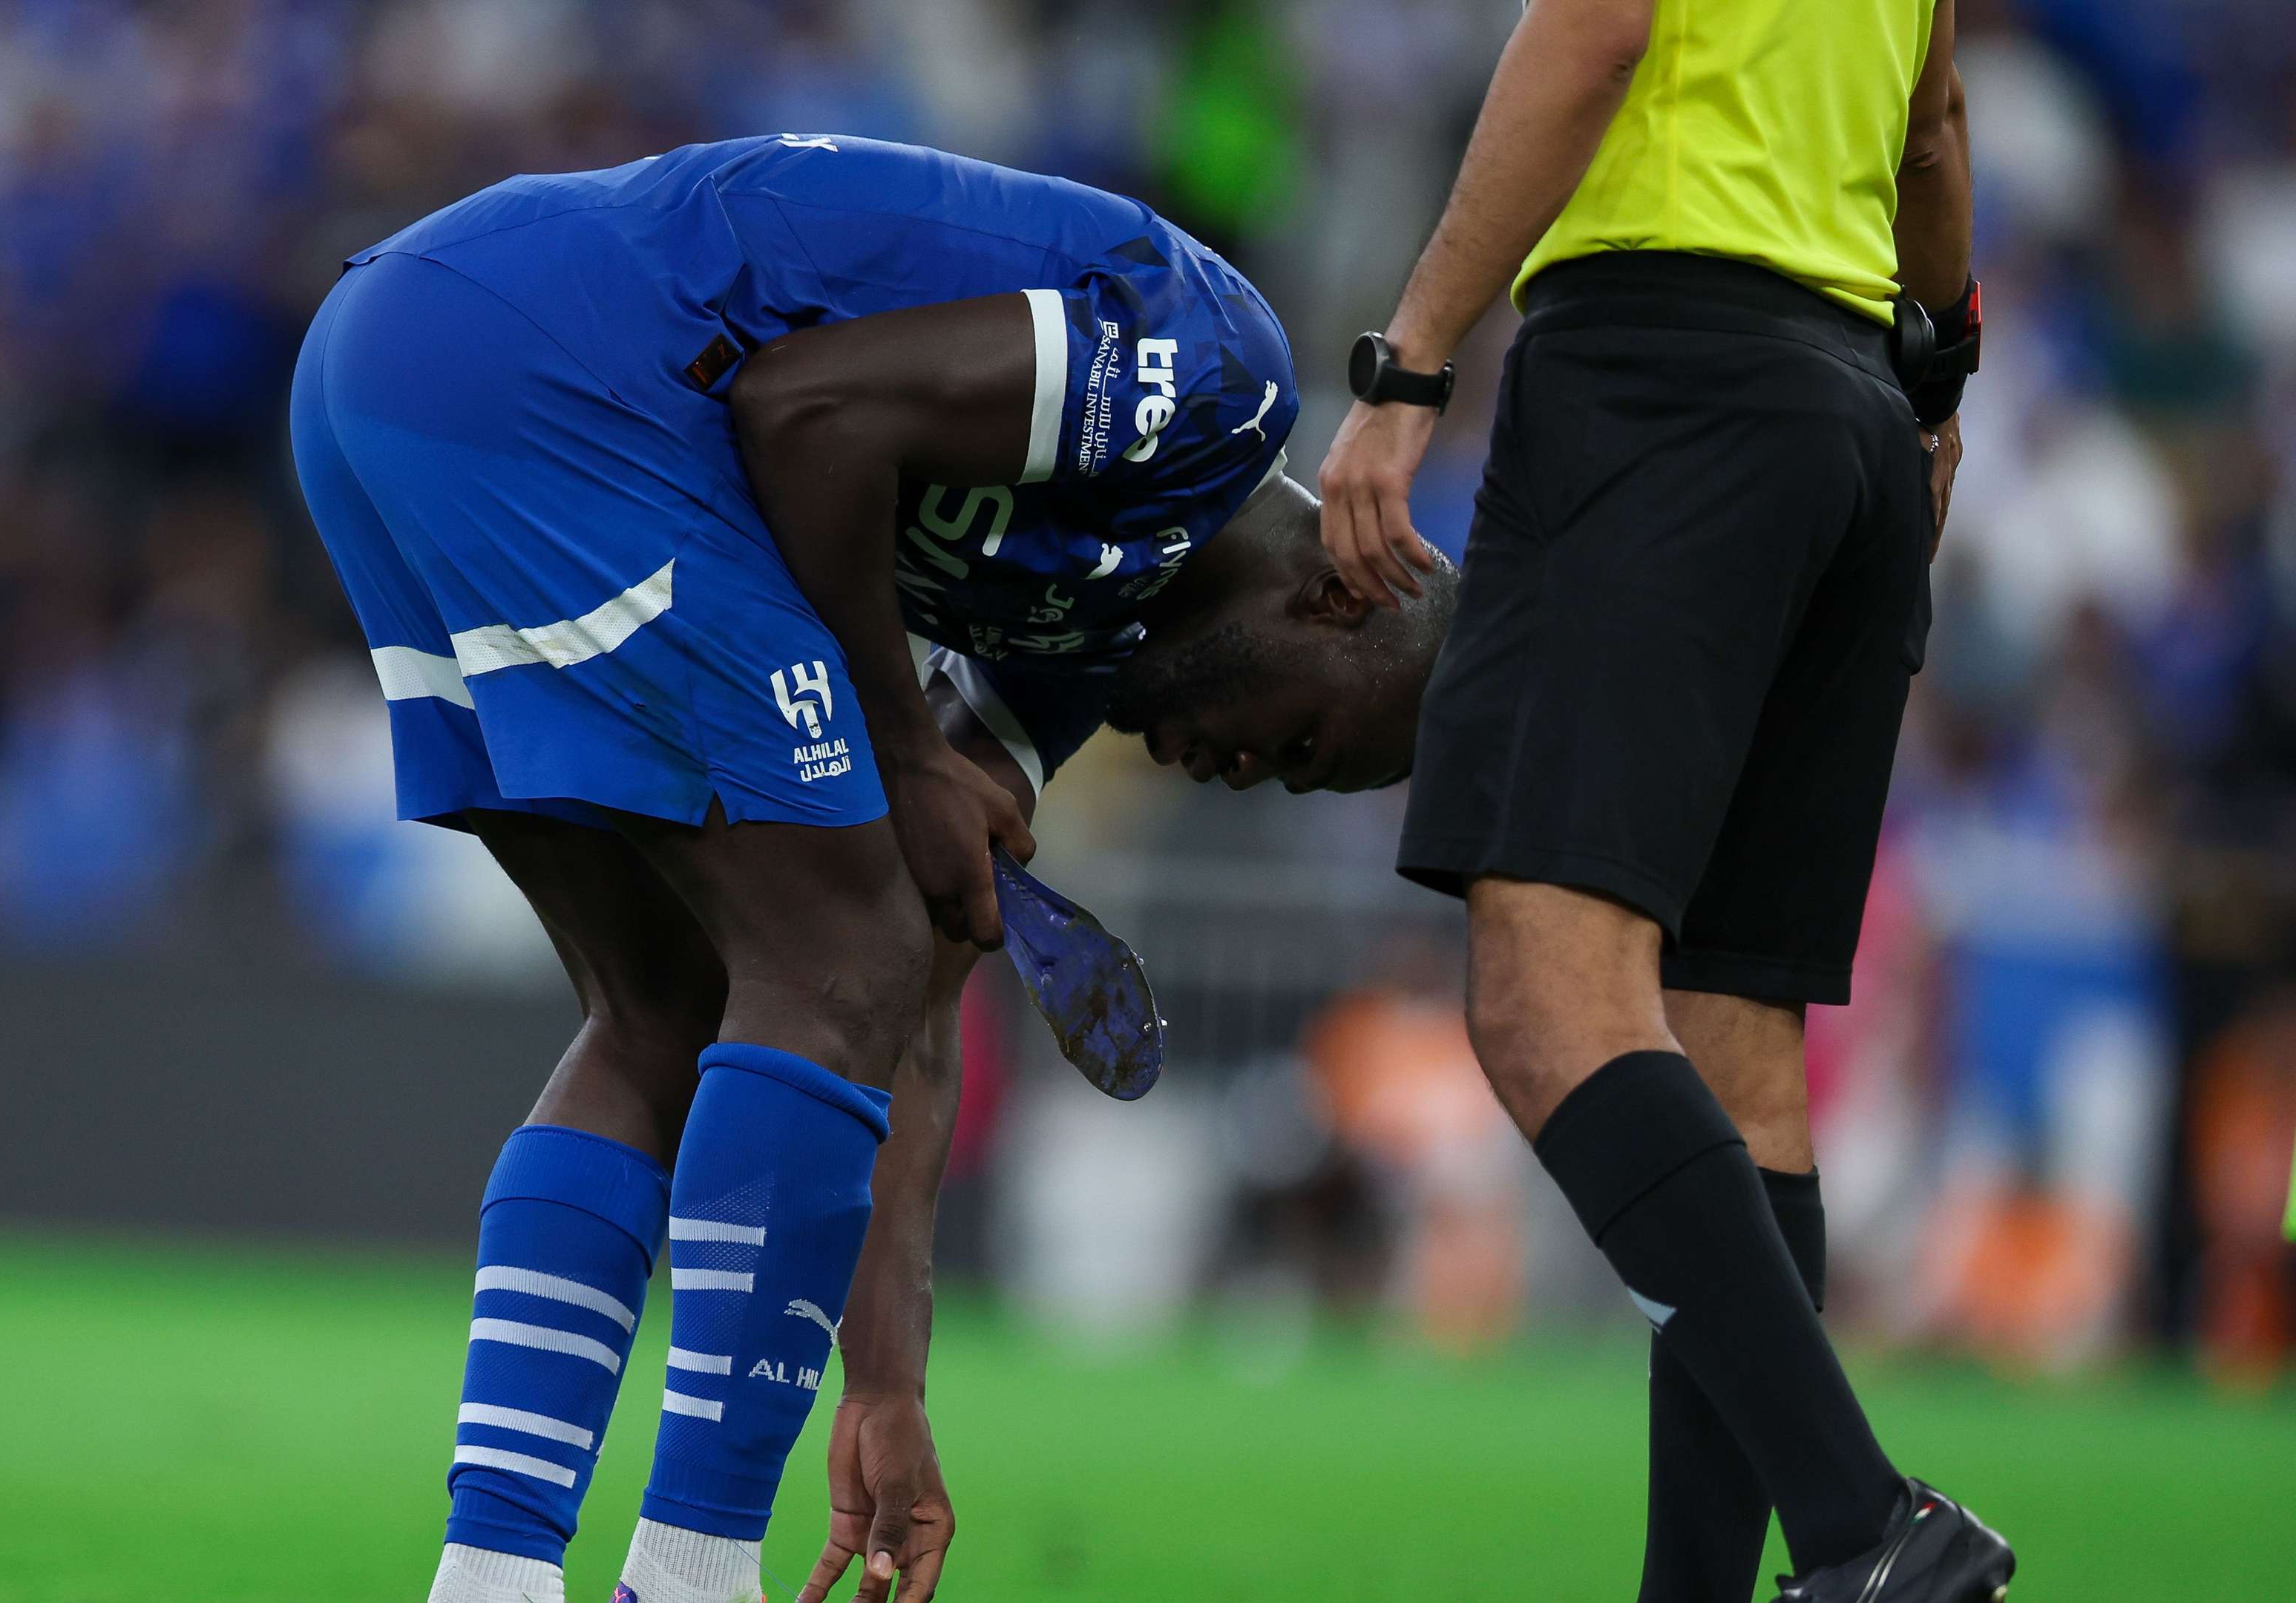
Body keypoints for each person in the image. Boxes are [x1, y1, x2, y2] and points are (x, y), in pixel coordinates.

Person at [289, 134, 1456, 1603]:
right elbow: (810, 412)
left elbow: (917, 961)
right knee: (830, 951)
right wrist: (902, 748)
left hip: (397, 369)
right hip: (548, 364)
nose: (1237, 774)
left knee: (669, 1009)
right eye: (1295, 744)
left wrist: (886, 1383)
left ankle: (495, 1577)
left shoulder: (1079, 646)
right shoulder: (1214, 375)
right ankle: (699, 1573)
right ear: (1347, 597)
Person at [1311, 0, 2010, 1598]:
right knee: (1740, 1046)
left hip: (1662, 389)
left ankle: (1867, 1527)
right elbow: (1934, 129)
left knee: (1552, 1001)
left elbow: (1602, 25)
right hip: (1852, 422)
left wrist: (1409, 362)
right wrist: (1939, 371)